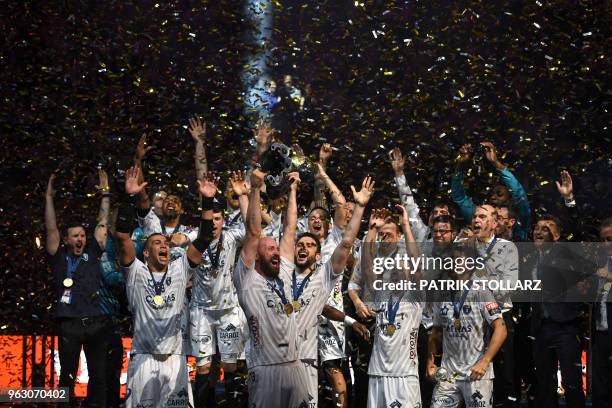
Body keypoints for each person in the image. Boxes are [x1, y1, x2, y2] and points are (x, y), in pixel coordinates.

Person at [115, 166, 216, 408]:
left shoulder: (180, 268)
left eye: (166, 242)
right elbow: (121, 236)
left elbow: (203, 239)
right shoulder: (136, 271)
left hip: (176, 359)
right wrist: (129, 196)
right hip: (143, 358)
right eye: (157, 242)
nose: (164, 245)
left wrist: (208, 200)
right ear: (146, 252)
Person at [286, 169, 374, 406]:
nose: (316, 221)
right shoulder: (296, 258)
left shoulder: (334, 243)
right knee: (301, 371)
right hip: (302, 320)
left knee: (333, 368)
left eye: (320, 217)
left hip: (332, 315)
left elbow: (341, 208)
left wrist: (323, 174)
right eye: (311, 217)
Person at [232, 167, 309, 407]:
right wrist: (255, 189)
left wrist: (293, 190)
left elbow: (290, 229)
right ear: (256, 255)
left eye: (276, 248)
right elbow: (254, 232)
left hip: (295, 366)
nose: (277, 251)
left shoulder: (284, 273)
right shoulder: (247, 279)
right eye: (270, 248)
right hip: (265, 369)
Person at [45, 169, 112, 407]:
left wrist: (105, 194)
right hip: (69, 323)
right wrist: (49, 198)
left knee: (98, 376)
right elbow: (51, 229)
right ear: (66, 240)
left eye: (83, 235)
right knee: (67, 376)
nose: (81, 239)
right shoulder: (59, 256)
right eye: (75, 236)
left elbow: (103, 224)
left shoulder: (92, 252)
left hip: (96, 322)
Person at [190, 170, 249, 407]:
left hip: (228, 310)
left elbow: (253, 227)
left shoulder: (232, 238)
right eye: (210, 219)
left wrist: (243, 196)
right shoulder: (194, 239)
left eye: (218, 219)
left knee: (231, 365)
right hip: (201, 311)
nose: (213, 223)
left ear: (223, 220)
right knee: (203, 366)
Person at [427, 245, 508, 408]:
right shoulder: (441, 293)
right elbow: (436, 331)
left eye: (458, 259)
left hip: (477, 374)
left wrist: (484, 362)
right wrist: (429, 362)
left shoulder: (481, 292)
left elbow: (501, 328)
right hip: (447, 375)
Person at [360, 206, 424, 408]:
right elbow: (367, 265)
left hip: (405, 375)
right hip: (377, 372)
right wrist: (371, 230)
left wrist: (405, 226)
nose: (397, 267)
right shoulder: (381, 293)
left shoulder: (415, 297)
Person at [468, 204, 519, 408]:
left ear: (495, 222)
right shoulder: (464, 246)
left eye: (482, 216)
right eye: (474, 216)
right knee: (472, 373)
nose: (476, 220)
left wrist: (482, 286)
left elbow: (510, 284)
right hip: (472, 319)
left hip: (499, 317)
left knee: (503, 376)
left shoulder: (507, 247)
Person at [451, 142, 531, 241]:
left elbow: (519, 193)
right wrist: (461, 165)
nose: (493, 197)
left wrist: (496, 163)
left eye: (499, 194)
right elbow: (459, 197)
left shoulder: (519, 226)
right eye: (492, 194)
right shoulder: (481, 215)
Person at [591, 216, 612, 408]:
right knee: (600, 387)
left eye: (611, 239)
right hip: (600, 332)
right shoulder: (601, 261)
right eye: (604, 239)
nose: (607, 244)